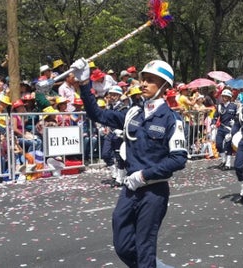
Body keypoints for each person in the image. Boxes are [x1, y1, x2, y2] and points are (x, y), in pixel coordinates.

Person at [74, 58, 187, 267]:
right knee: (123, 244)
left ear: (165, 87)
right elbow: (97, 114)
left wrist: (145, 175)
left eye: (151, 80)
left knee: (145, 246)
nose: (144, 83)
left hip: (153, 191)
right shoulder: (133, 113)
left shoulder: (172, 119)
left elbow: (179, 158)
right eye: (144, 79)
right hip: (130, 189)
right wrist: (84, 84)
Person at [212, 89, 238, 170]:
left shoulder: (234, 106)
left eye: (226, 97)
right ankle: (223, 160)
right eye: (223, 96)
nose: (224, 98)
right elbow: (215, 116)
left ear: (229, 97)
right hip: (221, 127)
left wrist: (235, 122)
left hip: (229, 129)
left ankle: (228, 163)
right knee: (218, 144)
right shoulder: (220, 106)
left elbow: (237, 118)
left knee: (228, 146)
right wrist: (213, 123)